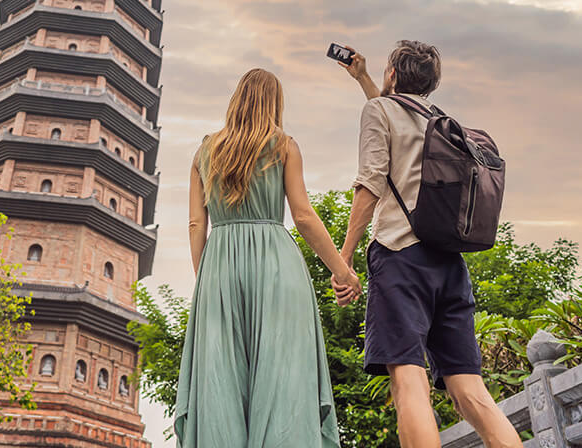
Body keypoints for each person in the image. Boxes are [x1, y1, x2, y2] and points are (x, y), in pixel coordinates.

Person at [332, 41, 521, 448]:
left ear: (393, 75)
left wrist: (343, 258)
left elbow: (372, 182)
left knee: (408, 381)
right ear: (431, 84)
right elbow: (395, 120)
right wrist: (364, 78)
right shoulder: (441, 122)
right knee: (470, 390)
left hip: (401, 259)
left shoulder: (378, 111)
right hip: (450, 264)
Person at [174, 68, 362, 448]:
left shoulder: (204, 151)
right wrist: (343, 272)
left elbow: (196, 223)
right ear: (274, 103)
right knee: (283, 376)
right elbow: (304, 216)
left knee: (219, 380)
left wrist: (207, 278)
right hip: (277, 266)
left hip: (219, 266)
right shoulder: (284, 145)